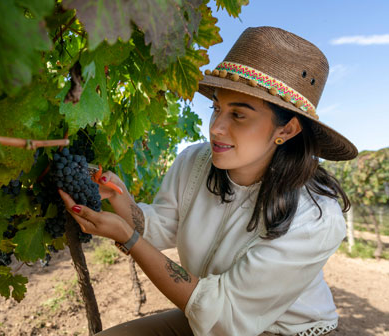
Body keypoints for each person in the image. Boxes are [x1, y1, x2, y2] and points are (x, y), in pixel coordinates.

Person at [58, 26, 358, 336]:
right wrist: (117, 196)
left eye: (238, 115)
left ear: (287, 130)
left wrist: (128, 238)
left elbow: (226, 317)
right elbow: (161, 226)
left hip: (277, 329)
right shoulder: (195, 161)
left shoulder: (314, 217)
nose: (215, 127)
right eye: (217, 108)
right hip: (203, 314)